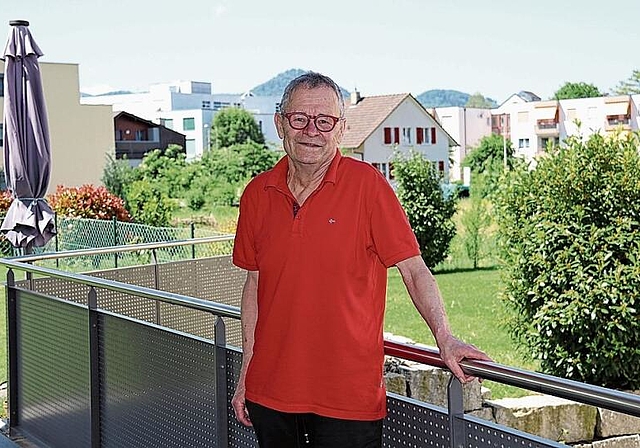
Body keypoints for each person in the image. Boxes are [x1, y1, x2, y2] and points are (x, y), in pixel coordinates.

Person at [231, 71, 491, 448]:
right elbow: (254, 288)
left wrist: (444, 337)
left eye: (325, 121)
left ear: (341, 129)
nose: (311, 131)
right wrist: (246, 376)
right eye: (300, 119)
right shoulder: (257, 194)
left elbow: (414, 270)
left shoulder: (368, 187)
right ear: (280, 123)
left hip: (347, 400)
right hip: (270, 395)